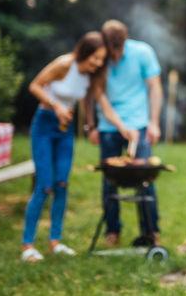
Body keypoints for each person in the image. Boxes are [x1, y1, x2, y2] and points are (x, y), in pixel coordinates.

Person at [21, 31, 133, 262]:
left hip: (65, 131)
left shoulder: (92, 76)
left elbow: (104, 105)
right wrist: (56, 106)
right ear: (85, 52)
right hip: (44, 125)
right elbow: (35, 86)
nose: (98, 63)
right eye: (95, 58)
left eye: (101, 60)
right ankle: (28, 245)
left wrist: (123, 128)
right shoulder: (65, 64)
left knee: (62, 183)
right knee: (44, 185)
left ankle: (55, 242)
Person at [85, 19, 163, 247]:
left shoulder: (143, 52)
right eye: (112, 51)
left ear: (125, 41)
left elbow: (155, 87)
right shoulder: (99, 57)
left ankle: (151, 231)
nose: (115, 55)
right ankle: (112, 230)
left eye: (118, 50)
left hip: (138, 124)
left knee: (144, 180)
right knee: (110, 180)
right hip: (109, 127)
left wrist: (154, 122)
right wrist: (91, 125)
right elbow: (93, 95)